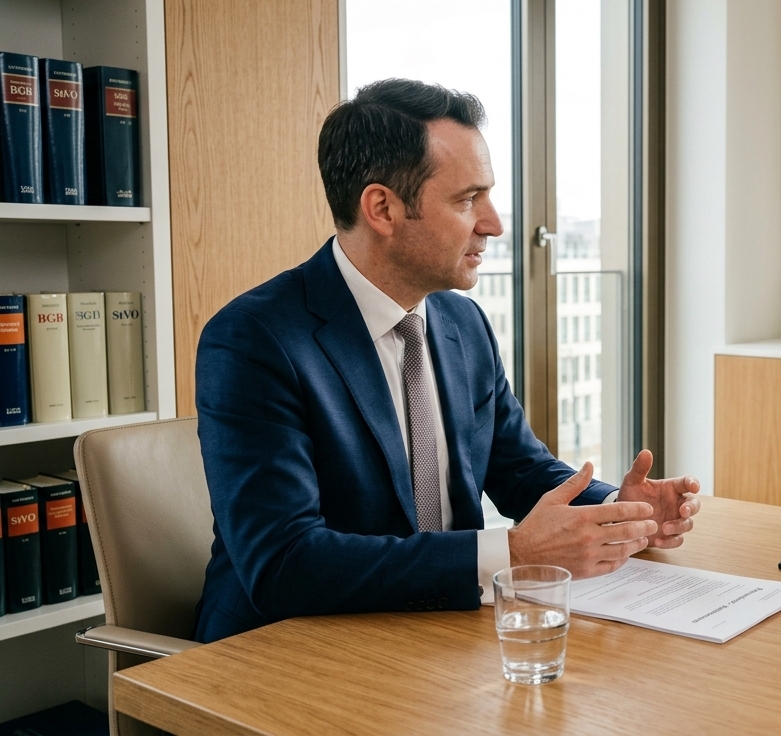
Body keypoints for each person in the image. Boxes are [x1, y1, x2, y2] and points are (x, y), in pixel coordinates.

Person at [193, 79, 699, 642]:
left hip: (442, 634)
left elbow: (521, 470)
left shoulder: (462, 323)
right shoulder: (254, 340)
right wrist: (511, 554)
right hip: (286, 649)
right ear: (382, 208)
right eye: (466, 200)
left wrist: (616, 510)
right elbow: (284, 565)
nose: (494, 224)